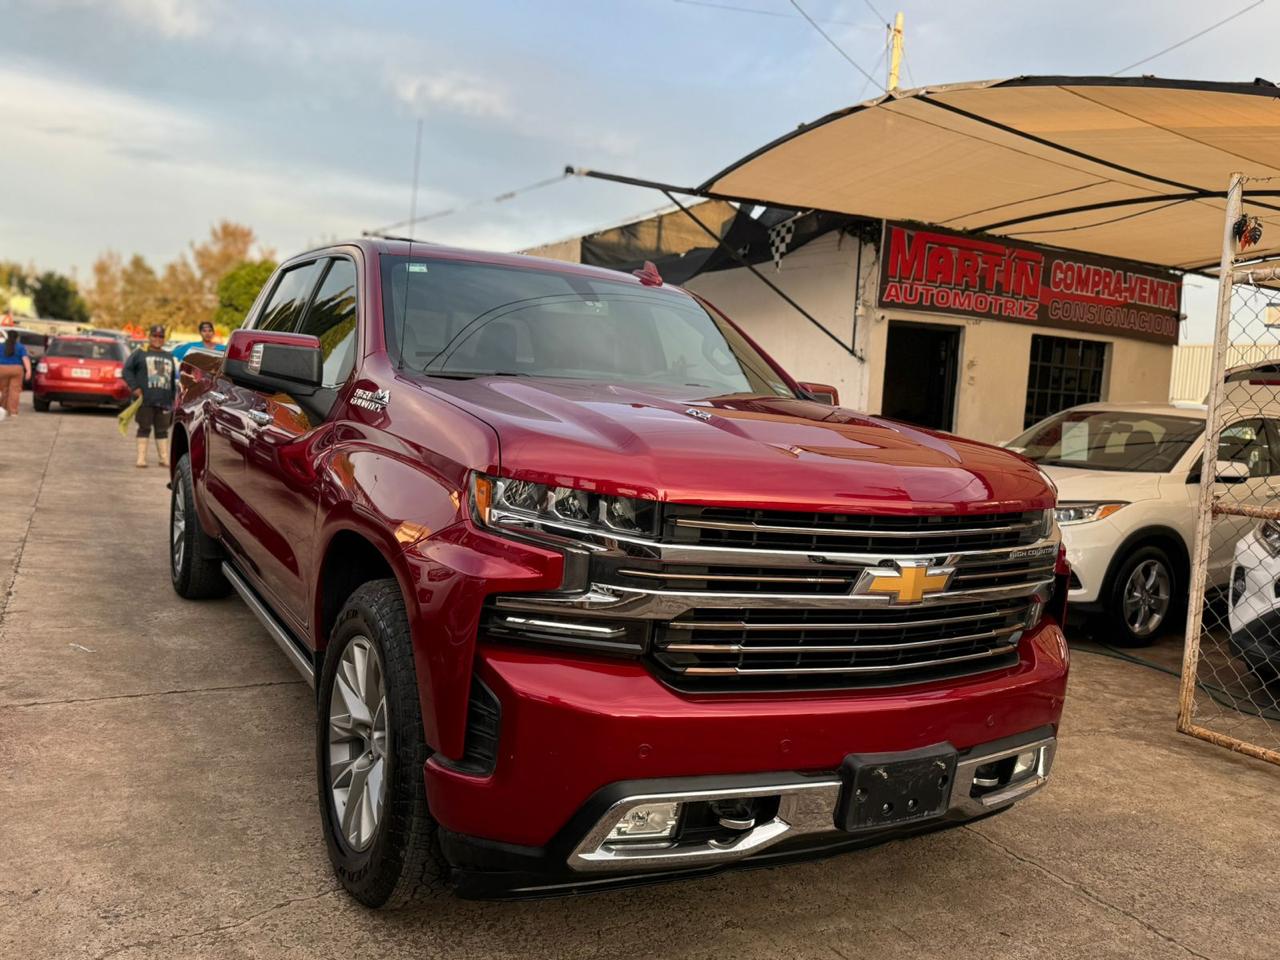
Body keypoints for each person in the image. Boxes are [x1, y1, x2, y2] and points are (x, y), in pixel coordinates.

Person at [122, 324, 176, 468]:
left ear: (164, 338)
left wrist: (173, 398)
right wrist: (135, 388)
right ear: (149, 336)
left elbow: (171, 380)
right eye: (155, 336)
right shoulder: (139, 353)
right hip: (145, 400)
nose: (158, 339)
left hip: (164, 401)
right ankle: (141, 459)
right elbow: (126, 371)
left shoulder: (168, 356)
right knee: (144, 428)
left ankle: (164, 459)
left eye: (161, 336)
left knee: (162, 430)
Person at [0, 329, 31, 419]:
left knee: (4, 390)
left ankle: (3, 409)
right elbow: (25, 359)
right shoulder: (20, 347)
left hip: (2, 369)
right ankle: (13, 412)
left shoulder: (1, 346)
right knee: (15, 391)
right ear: (17, 338)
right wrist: (28, 370)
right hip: (17, 369)